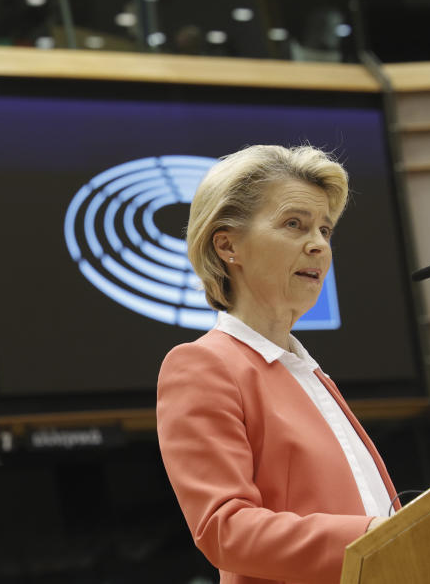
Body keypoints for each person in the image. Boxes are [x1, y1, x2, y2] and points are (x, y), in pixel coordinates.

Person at [156, 145, 398, 584]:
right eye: (294, 224)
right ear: (228, 245)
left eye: (325, 230)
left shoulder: (309, 374)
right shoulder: (203, 366)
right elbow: (223, 528)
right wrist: (372, 538)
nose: (319, 245)